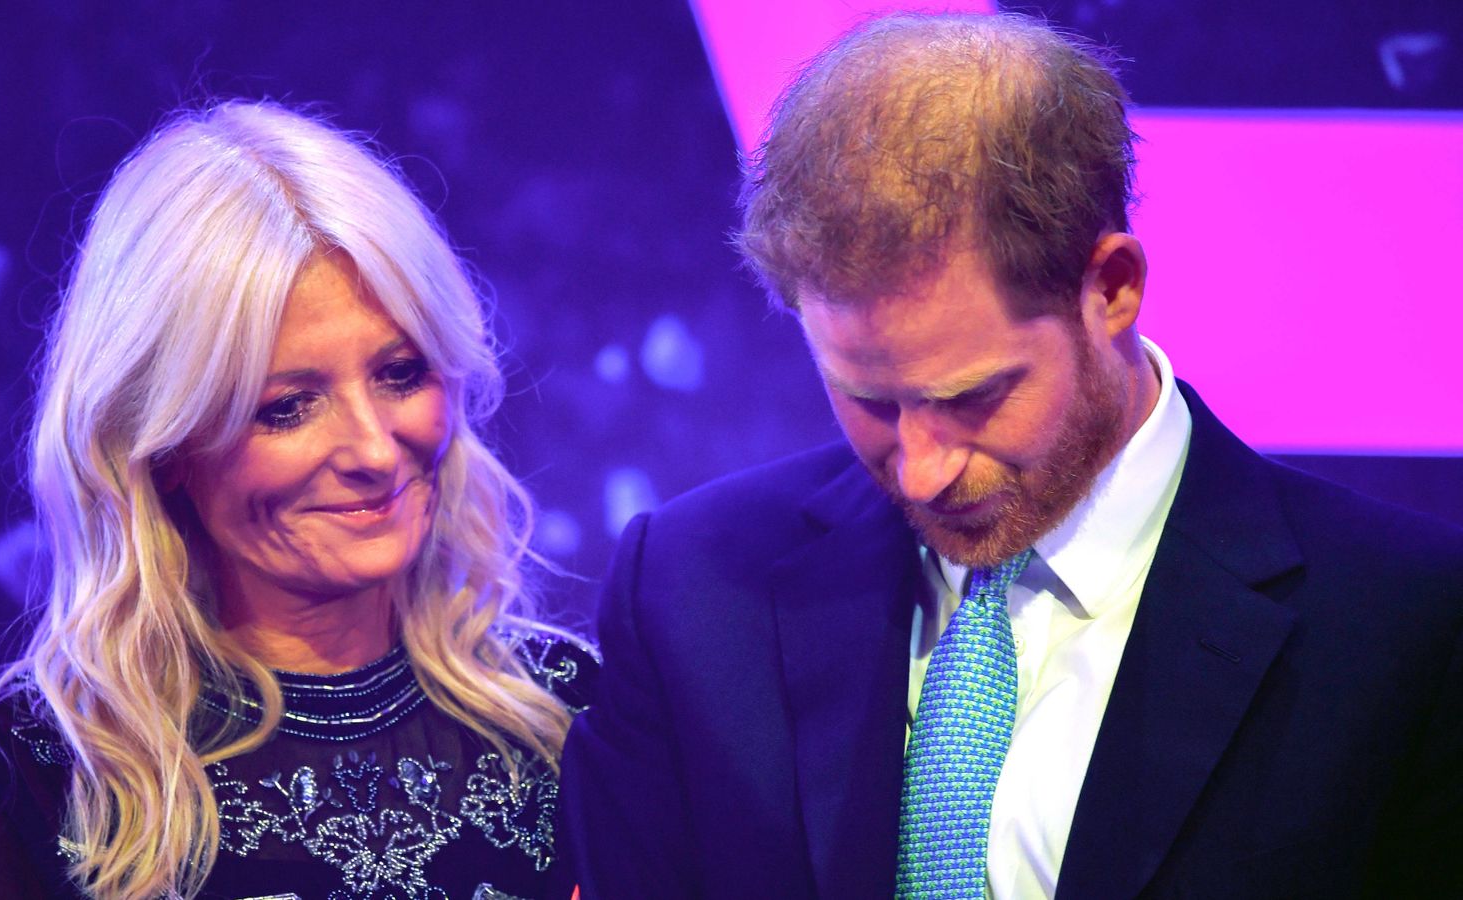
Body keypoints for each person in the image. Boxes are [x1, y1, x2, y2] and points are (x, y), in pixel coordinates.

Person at [559, 12, 1463, 899]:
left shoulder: (1405, 629)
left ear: (1111, 289)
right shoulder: (691, 592)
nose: (920, 470)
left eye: (971, 397)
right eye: (869, 400)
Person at [0, 101, 596, 900]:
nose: (377, 452)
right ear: (165, 447)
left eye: (400, 374)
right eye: (287, 407)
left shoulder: (569, 710)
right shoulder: (38, 762)